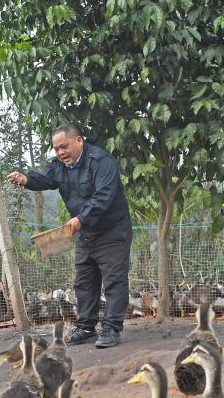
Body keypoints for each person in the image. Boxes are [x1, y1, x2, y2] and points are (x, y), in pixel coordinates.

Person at [7, 124, 132, 348]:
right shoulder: (59, 166)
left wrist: (80, 219)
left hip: (112, 230)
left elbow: (104, 196)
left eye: (64, 146)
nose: (60, 153)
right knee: (84, 281)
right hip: (85, 232)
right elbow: (45, 179)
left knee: (114, 280)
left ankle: (112, 329)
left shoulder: (102, 162)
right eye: (56, 149)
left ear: (79, 141)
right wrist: (26, 180)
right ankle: (85, 327)